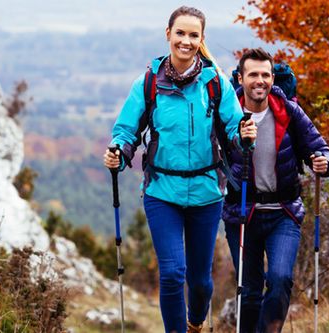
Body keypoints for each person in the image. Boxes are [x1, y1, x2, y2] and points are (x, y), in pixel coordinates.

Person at [103, 6, 257, 333]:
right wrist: (119, 150)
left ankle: (196, 322)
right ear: (168, 34)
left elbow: (233, 126)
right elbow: (126, 130)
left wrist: (242, 134)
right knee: (172, 273)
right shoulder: (148, 83)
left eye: (193, 35)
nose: (186, 41)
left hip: (206, 193)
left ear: (201, 40)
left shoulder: (214, 83)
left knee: (200, 282)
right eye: (180, 33)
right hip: (162, 192)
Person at [222, 48, 329, 333]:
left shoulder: (289, 111)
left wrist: (324, 162)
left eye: (265, 74)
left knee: (281, 279)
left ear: (272, 78)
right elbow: (208, 152)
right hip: (241, 213)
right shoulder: (228, 114)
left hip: (283, 212)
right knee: (248, 292)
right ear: (240, 78)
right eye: (253, 75)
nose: (259, 81)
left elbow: (319, 147)